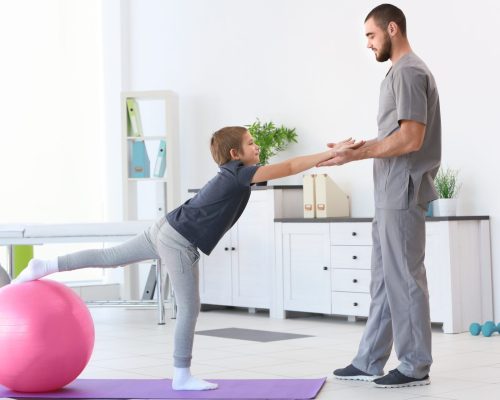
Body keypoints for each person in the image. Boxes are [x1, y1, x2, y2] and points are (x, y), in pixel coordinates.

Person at [14, 126, 362, 391]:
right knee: (190, 307)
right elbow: (287, 167)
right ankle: (181, 374)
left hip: (166, 228)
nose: (257, 146)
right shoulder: (239, 174)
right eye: (252, 143)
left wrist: (334, 155)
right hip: (178, 240)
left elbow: (288, 167)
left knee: (111, 257)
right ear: (234, 153)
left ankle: (45, 266)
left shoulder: (234, 175)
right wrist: (322, 155)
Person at [319, 4, 441, 388]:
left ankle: (414, 365)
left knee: (404, 277)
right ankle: (370, 358)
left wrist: (358, 153)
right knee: (383, 279)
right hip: (389, 190)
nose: (368, 44)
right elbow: (394, 134)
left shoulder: (409, 71)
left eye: (371, 36)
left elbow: (411, 138)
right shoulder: (398, 72)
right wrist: (355, 148)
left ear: (393, 28)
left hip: (403, 189)